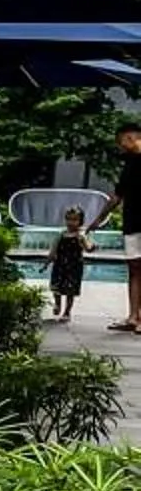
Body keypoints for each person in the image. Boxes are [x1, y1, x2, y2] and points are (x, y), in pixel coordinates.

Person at [94, 121, 141, 336]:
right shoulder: (130, 162)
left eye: (120, 141)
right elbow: (118, 195)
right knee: (134, 269)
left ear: (131, 138)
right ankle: (133, 316)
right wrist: (99, 219)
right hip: (132, 221)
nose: (119, 146)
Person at [48, 205, 89, 324]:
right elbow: (54, 249)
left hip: (74, 267)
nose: (71, 222)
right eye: (69, 219)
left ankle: (67, 312)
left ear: (80, 222)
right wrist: (49, 260)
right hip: (60, 265)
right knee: (57, 287)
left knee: (70, 291)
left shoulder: (80, 236)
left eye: (75, 220)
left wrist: (91, 247)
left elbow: (87, 247)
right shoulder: (61, 234)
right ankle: (57, 304)